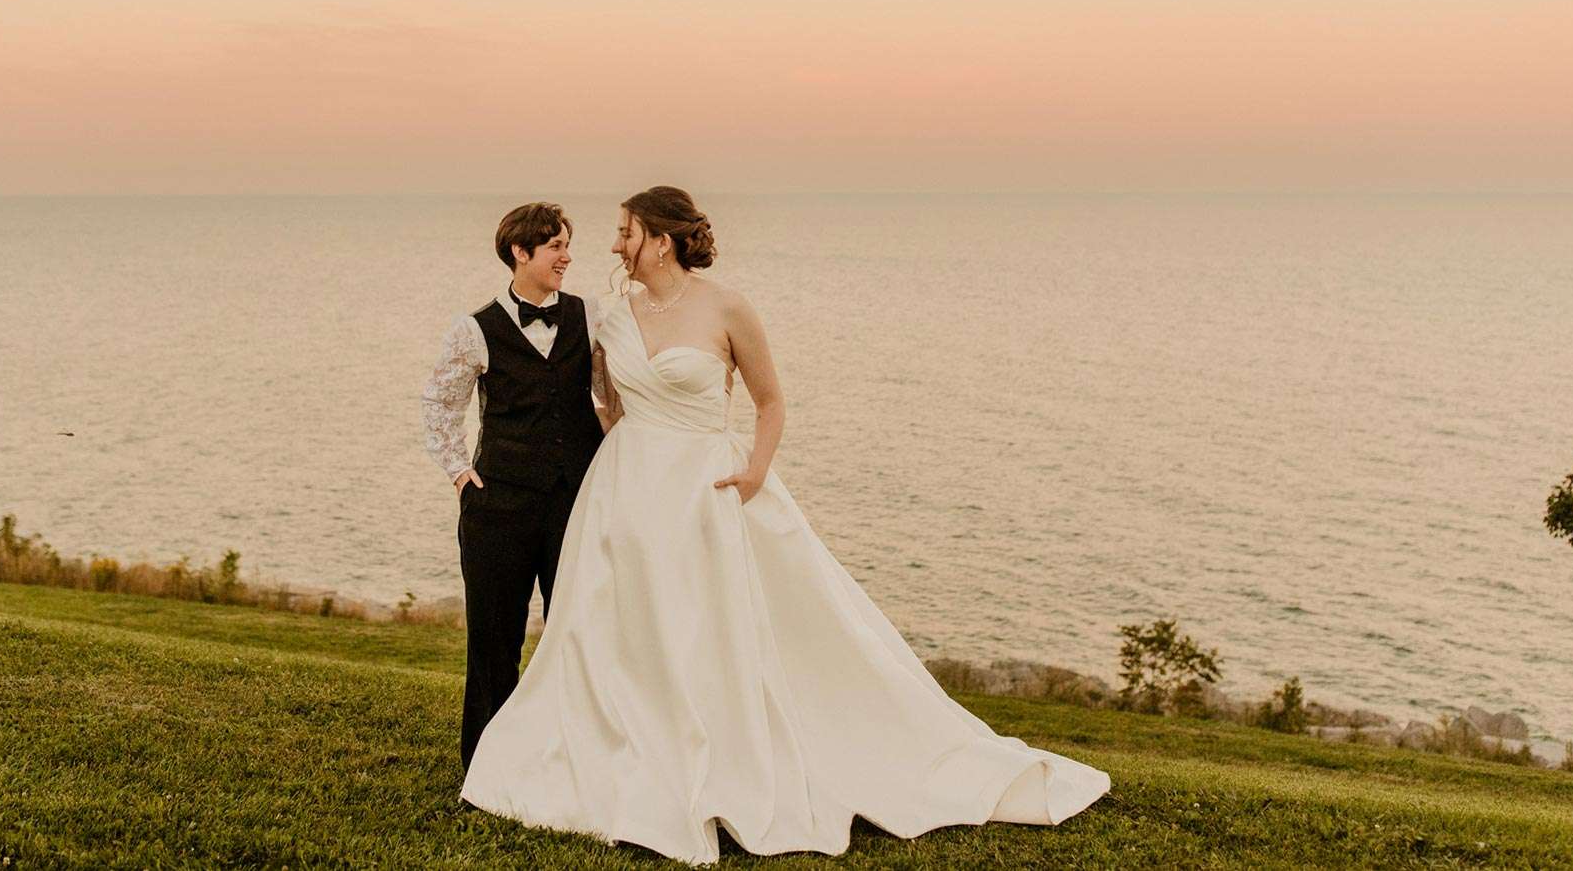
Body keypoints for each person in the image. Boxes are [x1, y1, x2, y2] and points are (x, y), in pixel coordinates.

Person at [459, 186, 1109, 864]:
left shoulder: (727, 306)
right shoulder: (613, 316)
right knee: (616, 632)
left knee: (714, 628)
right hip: (625, 493)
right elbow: (604, 405)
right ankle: (622, 751)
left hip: (710, 486)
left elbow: (769, 402)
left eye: (625, 230)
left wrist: (755, 472)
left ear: (659, 238)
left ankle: (723, 756)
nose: (614, 243)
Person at [419, 201, 609, 770]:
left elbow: (607, 397)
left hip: (575, 501)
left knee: (574, 634)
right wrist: (460, 474)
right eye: (554, 246)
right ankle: (486, 765)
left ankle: (570, 760)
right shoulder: (474, 329)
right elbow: (438, 406)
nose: (567, 256)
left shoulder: (590, 316)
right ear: (519, 253)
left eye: (566, 245)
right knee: (493, 639)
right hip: (497, 506)